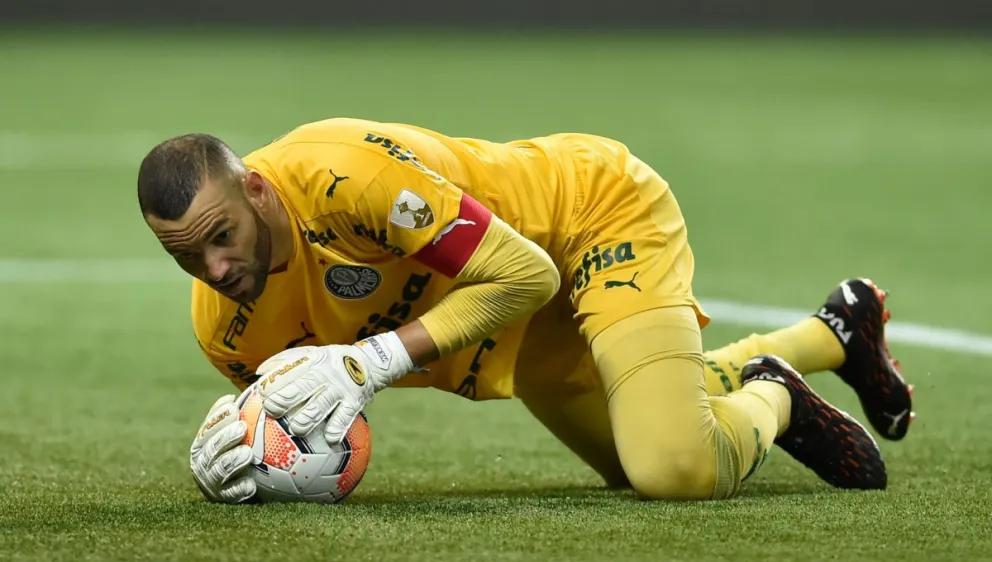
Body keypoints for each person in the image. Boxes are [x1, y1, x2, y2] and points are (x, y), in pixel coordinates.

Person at [136, 118, 913, 504]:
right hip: (505, 317)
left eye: (222, 237)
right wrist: (233, 455)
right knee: (633, 450)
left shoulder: (346, 180)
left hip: (584, 222)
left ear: (257, 190)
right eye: (187, 258)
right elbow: (302, 428)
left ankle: (775, 392)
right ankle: (833, 333)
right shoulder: (226, 329)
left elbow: (526, 272)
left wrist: (372, 360)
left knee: (672, 465)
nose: (216, 270)